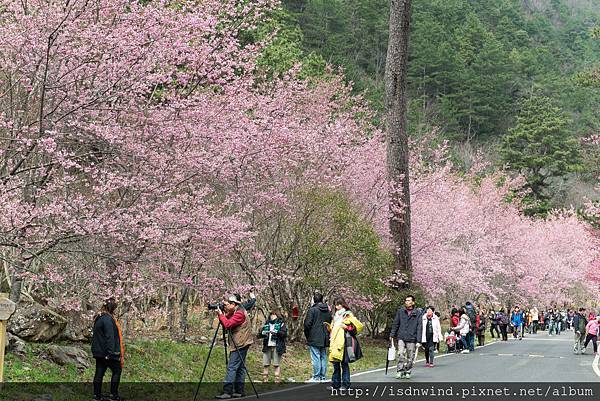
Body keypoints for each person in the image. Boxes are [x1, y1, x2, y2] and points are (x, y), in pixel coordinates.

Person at [215, 294, 254, 399]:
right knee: (240, 367)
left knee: (232, 367)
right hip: (243, 341)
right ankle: (239, 391)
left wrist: (220, 314)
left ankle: (227, 392)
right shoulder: (238, 310)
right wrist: (223, 314)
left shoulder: (239, 314)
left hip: (240, 343)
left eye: (227, 305)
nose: (225, 307)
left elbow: (227, 324)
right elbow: (228, 320)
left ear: (233, 304)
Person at [327, 297, 363, 390]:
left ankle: (345, 384)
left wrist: (346, 327)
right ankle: (335, 384)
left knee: (344, 363)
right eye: (336, 304)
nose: (337, 306)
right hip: (335, 342)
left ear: (343, 304)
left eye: (339, 304)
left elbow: (357, 327)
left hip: (344, 342)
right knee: (335, 363)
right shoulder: (335, 315)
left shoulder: (348, 315)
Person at [92, 298, 124, 401]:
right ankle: (113, 395)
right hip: (107, 352)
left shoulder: (99, 317)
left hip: (98, 352)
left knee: (99, 373)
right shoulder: (108, 320)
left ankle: (97, 396)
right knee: (117, 370)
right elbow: (110, 337)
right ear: (112, 308)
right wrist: (111, 353)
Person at [390, 295, 422, 379]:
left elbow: (419, 327)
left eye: (408, 300)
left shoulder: (418, 313)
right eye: (406, 300)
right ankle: (399, 370)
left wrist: (419, 340)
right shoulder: (401, 311)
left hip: (412, 338)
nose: (406, 302)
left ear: (413, 302)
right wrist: (392, 334)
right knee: (400, 354)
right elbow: (396, 324)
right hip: (401, 336)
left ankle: (407, 370)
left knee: (410, 357)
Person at [304, 292, 332, 383]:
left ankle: (316, 377)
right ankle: (322, 377)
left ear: (314, 300)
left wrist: (308, 335)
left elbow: (307, 324)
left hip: (314, 337)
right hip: (325, 337)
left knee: (316, 356)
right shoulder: (327, 310)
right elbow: (330, 323)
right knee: (323, 356)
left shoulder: (312, 310)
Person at [258, 310, 287, 383]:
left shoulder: (281, 323)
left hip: (277, 346)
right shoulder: (267, 323)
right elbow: (260, 335)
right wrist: (263, 332)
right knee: (265, 364)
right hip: (267, 345)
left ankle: (277, 380)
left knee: (276, 364)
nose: (272, 316)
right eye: (271, 315)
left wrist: (276, 332)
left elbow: (284, 334)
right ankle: (265, 379)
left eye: (274, 314)